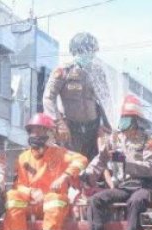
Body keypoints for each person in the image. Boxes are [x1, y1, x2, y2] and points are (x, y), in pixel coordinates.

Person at [77, 95, 152, 230]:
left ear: (136, 121)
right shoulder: (115, 139)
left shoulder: (150, 140)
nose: (124, 128)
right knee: (96, 200)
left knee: (136, 201)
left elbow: (151, 168)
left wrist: (125, 161)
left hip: (144, 185)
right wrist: (88, 173)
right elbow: (100, 160)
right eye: (122, 120)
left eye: (127, 121)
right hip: (124, 186)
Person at [3, 113, 88, 230]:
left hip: (53, 209)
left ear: (50, 133)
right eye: (32, 131)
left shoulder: (61, 154)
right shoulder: (23, 157)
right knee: (12, 195)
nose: (35, 134)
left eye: (40, 130)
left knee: (54, 198)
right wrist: (31, 192)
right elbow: (19, 185)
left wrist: (64, 176)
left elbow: (82, 160)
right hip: (32, 205)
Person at [42, 32, 108, 161]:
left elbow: (106, 101)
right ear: (76, 51)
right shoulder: (63, 71)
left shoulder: (98, 73)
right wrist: (59, 123)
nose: (90, 54)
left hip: (94, 129)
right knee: (71, 164)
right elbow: (48, 98)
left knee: (99, 166)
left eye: (92, 50)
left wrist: (105, 126)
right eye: (87, 50)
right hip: (70, 129)